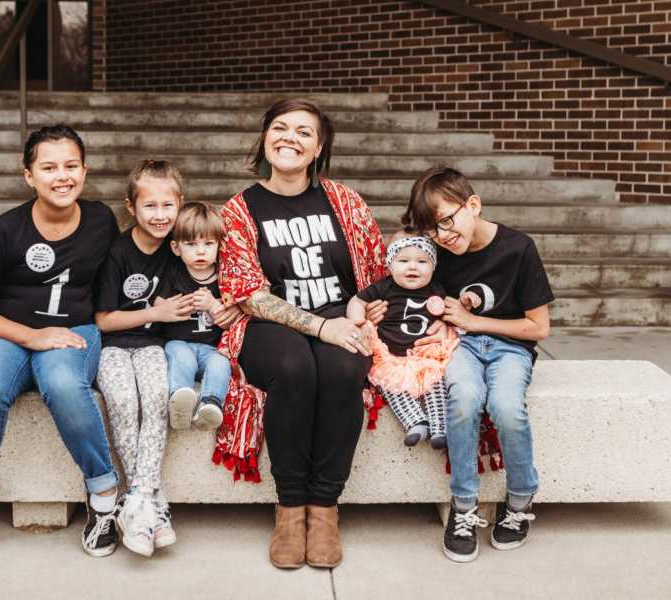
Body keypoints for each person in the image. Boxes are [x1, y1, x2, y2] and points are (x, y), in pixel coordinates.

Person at [217, 99, 386, 569]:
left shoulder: (344, 201)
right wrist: (320, 327)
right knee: (294, 368)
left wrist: (362, 306)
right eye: (281, 127)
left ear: (318, 148)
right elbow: (248, 292)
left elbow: (376, 271)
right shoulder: (238, 209)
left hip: (340, 315)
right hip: (271, 323)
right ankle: (290, 510)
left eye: (304, 132)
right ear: (265, 137)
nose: (290, 137)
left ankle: (324, 509)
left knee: (340, 370)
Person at [0, 124, 121, 557]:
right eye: (49, 167)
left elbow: (119, 278)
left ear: (85, 170)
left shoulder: (101, 220)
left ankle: (103, 497)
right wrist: (31, 336)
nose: (62, 176)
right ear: (29, 176)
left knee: (63, 385)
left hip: (74, 329)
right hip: (6, 333)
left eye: (71, 166)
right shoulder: (6, 230)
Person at [401, 166, 554, 563]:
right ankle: (464, 507)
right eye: (432, 231)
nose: (443, 236)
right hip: (461, 348)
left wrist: (473, 321)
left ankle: (520, 501)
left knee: (505, 406)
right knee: (465, 399)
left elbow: (539, 328)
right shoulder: (441, 253)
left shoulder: (518, 248)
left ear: (473, 205)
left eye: (447, 222)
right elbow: (419, 292)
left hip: (511, 347)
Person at [94, 161, 240, 558]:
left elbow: (219, 288)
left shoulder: (182, 249)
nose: (160, 216)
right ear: (131, 207)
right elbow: (103, 320)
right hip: (115, 346)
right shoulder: (118, 252)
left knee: (158, 401)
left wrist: (226, 310)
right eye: (150, 207)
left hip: (158, 347)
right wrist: (154, 314)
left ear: (179, 204)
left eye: (167, 206)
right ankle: (148, 500)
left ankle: (138, 501)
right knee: (125, 403)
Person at [346, 235, 459, 449]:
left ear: (433, 266)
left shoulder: (437, 289)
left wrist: (450, 319)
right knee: (391, 387)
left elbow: (451, 312)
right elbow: (357, 301)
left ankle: (440, 428)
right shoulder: (383, 287)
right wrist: (357, 322)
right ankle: (416, 423)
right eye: (403, 261)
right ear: (390, 265)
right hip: (392, 357)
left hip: (426, 355)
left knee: (436, 384)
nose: (413, 267)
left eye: (422, 261)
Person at [159, 202, 232, 431]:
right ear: (176, 248)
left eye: (208, 243)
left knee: (221, 364)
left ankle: (210, 403)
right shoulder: (173, 273)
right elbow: (157, 302)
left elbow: (230, 314)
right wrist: (176, 306)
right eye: (191, 244)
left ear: (219, 246)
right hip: (179, 342)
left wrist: (212, 304)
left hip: (211, 348)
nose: (200, 251)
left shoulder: (224, 277)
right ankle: (180, 398)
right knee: (183, 358)